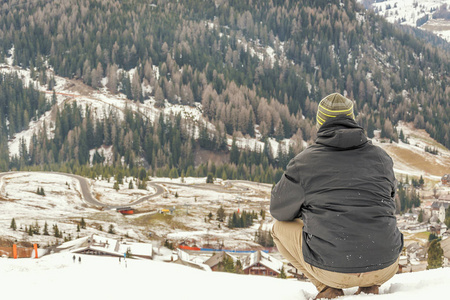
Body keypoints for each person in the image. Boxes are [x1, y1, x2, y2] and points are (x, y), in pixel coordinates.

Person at [270, 93, 403, 299]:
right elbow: (390, 197)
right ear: (352, 118)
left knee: (279, 229)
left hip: (332, 270)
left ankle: (327, 288)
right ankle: (370, 284)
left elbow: (279, 210)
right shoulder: (381, 157)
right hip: (385, 265)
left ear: (320, 122)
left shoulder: (304, 163)